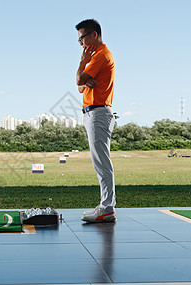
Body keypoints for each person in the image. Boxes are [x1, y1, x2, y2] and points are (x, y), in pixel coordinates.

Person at [75, 19, 117, 223]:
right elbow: (81, 86)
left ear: (94, 35)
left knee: (102, 162)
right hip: (93, 112)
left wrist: (83, 63)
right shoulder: (98, 57)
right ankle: (105, 206)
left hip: (98, 112)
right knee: (99, 161)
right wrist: (84, 79)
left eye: (82, 38)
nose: (81, 43)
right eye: (79, 40)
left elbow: (78, 80)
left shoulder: (100, 55)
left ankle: (107, 208)